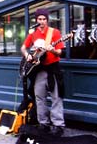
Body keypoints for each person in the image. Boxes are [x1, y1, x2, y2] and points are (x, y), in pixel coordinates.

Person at [20, 9, 65, 137]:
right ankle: (43, 123)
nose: (42, 21)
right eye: (39, 19)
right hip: (39, 70)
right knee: (39, 97)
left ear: (47, 20)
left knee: (56, 97)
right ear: (36, 20)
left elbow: (60, 52)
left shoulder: (54, 32)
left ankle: (58, 125)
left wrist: (53, 50)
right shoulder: (33, 34)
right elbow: (23, 47)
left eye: (44, 19)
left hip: (53, 69)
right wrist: (27, 55)